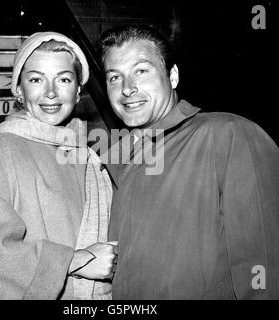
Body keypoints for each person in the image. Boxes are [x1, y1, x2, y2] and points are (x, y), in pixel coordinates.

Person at [100, 25, 279, 299]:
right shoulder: (112, 159)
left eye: (141, 71)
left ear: (172, 76)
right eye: (115, 77)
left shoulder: (228, 135)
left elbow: (264, 262)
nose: (127, 88)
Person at [0, 31, 117, 300]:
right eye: (36, 79)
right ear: (18, 89)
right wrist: (75, 261)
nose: (50, 93)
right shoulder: (1, 152)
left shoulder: (85, 152)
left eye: (63, 79)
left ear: (78, 90)